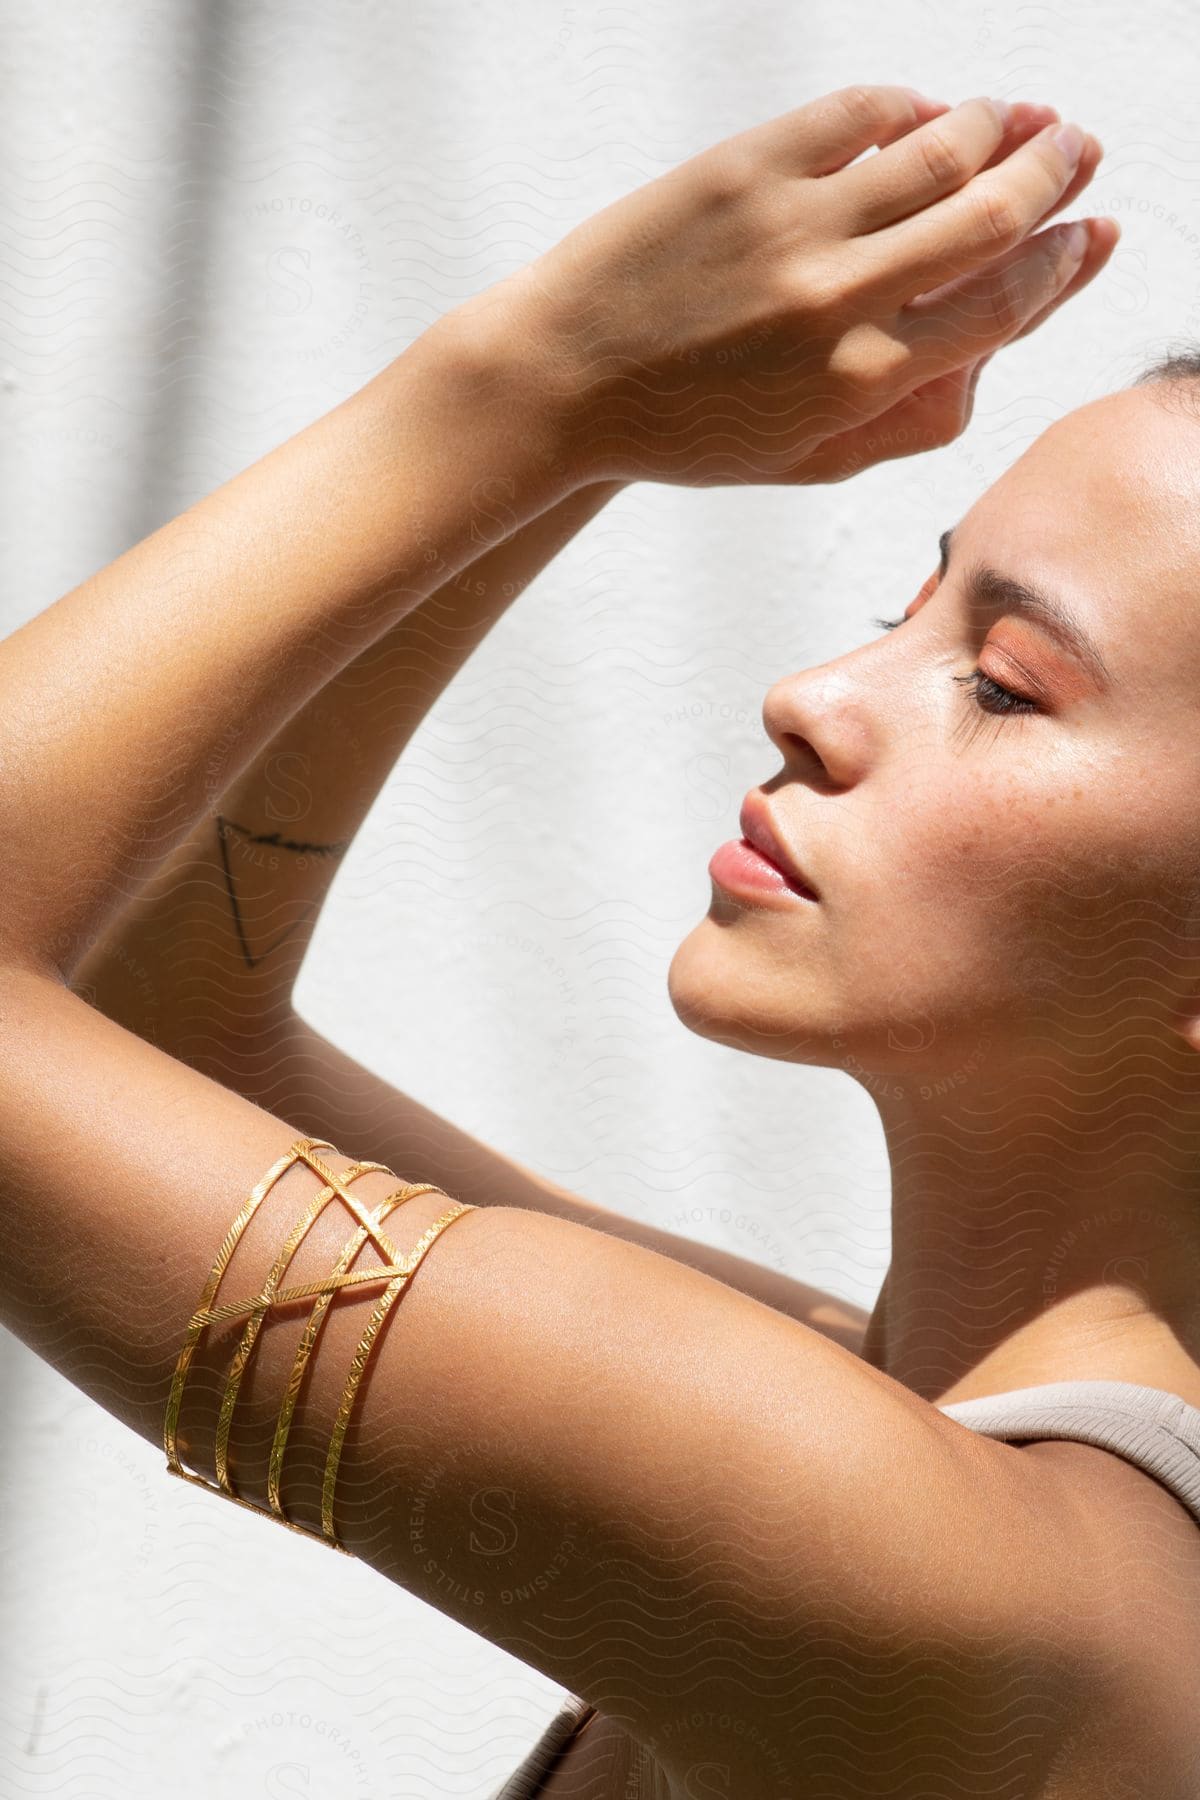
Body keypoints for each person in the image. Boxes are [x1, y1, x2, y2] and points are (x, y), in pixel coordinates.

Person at [4, 80, 1191, 1799]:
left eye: (1004, 687)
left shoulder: (906, 1549)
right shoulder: (914, 1442)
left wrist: (520, 392)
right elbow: (166, 1021)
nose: (814, 696)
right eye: (903, 607)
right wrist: (609, 432)